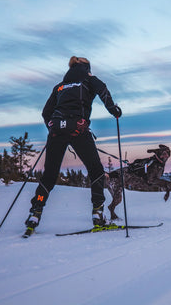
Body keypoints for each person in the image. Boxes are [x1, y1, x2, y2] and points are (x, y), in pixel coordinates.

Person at [25, 56, 122, 233]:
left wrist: (52, 127)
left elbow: (46, 112)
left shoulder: (60, 86)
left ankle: (35, 212)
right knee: (96, 171)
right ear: (87, 68)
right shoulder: (89, 79)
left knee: (50, 174)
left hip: (56, 130)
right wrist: (114, 110)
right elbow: (103, 91)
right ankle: (98, 214)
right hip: (78, 129)